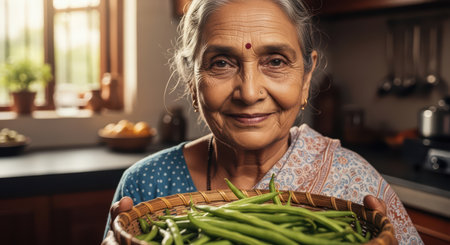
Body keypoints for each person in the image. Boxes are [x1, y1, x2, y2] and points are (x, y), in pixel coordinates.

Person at [103, 0, 423, 244]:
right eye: (222, 63)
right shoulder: (146, 185)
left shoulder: (355, 184)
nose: (250, 92)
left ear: (306, 77)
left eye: (275, 61)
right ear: (191, 79)